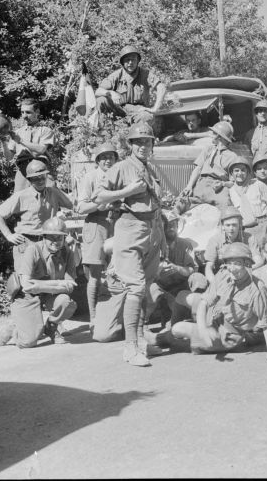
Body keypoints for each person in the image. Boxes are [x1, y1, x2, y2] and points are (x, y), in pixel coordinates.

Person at [93, 122, 165, 367]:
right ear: (130, 145)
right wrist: (126, 191)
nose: (143, 146)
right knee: (135, 288)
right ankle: (130, 347)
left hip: (151, 229)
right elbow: (100, 197)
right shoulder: (122, 167)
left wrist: (161, 238)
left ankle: (141, 340)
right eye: (138, 142)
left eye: (147, 142)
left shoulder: (149, 168)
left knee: (145, 285)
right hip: (129, 228)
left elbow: (156, 205)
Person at [171, 242, 267, 364]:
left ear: (247, 265)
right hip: (215, 314)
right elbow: (204, 303)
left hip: (227, 334)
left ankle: (166, 339)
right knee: (183, 296)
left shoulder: (256, 289)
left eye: (237, 264)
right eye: (229, 263)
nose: (232, 268)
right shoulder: (224, 273)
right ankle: (176, 326)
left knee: (177, 329)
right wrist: (202, 329)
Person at [0, 217, 78, 348]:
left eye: (59, 238)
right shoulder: (33, 250)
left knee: (66, 302)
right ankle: (15, 328)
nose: (55, 241)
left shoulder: (67, 253)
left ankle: (51, 328)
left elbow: (70, 286)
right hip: (27, 296)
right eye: (51, 237)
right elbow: (27, 286)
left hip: (47, 295)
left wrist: (39, 285)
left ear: (64, 239)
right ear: (44, 237)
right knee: (28, 342)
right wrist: (58, 284)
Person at [0, 159, 72, 273]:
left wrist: (55, 187)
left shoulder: (53, 193)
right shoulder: (21, 196)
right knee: (25, 283)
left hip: (47, 243)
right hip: (26, 243)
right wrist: (8, 235)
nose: (40, 180)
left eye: (42, 176)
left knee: (46, 281)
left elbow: (71, 204)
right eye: (36, 178)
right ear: (29, 180)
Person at [76, 143, 119, 331]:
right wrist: (100, 205)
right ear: (97, 161)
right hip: (96, 224)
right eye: (103, 157)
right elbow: (81, 207)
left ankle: (115, 314)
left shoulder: (120, 176)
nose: (107, 160)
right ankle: (93, 317)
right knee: (94, 275)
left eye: (111, 156)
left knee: (118, 270)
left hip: (117, 225)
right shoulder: (90, 177)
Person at [92, 46, 167, 132]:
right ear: (122, 62)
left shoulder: (145, 74)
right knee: (101, 100)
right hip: (119, 109)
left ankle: (139, 137)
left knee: (146, 117)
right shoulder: (117, 75)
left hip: (138, 110)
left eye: (133, 59)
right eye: (127, 60)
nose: (130, 62)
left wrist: (155, 109)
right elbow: (98, 91)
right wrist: (110, 93)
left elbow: (161, 87)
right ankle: (99, 132)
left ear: (138, 61)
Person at [147, 210, 198, 325]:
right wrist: (158, 270)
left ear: (177, 226)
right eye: (167, 226)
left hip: (180, 286)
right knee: (151, 289)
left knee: (197, 279)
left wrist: (177, 268)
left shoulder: (185, 245)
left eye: (173, 225)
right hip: (159, 287)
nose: (170, 228)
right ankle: (144, 322)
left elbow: (192, 270)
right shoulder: (153, 245)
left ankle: (187, 313)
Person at [0, 98, 55, 192]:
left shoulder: (45, 130)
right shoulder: (17, 132)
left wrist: (20, 140)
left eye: (28, 112)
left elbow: (41, 149)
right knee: (21, 202)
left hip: (40, 170)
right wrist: (3, 141)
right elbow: (9, 157)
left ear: (37, 112)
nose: (24, 116)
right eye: (22, 112)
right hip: (23, 172)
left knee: (47, 201)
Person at [181, 121, 237, 209]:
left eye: (214, 133)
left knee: (226, 207)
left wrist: (222, 184)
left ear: (220, 137)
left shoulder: (232, 157)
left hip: (219, 187)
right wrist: (189, 186)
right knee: (181, 202)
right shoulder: (208, 149)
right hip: (201, 184)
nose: (211, 134)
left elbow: (233, 183)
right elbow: (197, 169)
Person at [204, 206, 264, 284]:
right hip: (224, 278)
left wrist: (242, 270)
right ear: (222, 226)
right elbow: (209, 267)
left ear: (240, 225)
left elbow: (259, 261)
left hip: (245, 275)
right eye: (227, 225)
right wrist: (214, 284)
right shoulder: (215, 241)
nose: (231, 228)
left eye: (234, 225)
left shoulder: (249, 238)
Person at [229, 155, 267, 244]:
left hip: (264, 226)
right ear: (232, 173)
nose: (240, 173)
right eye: (236, 170)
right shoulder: (231, 191)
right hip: (246, 230)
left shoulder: (258, 185)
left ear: (248, 172)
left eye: (243, 170)